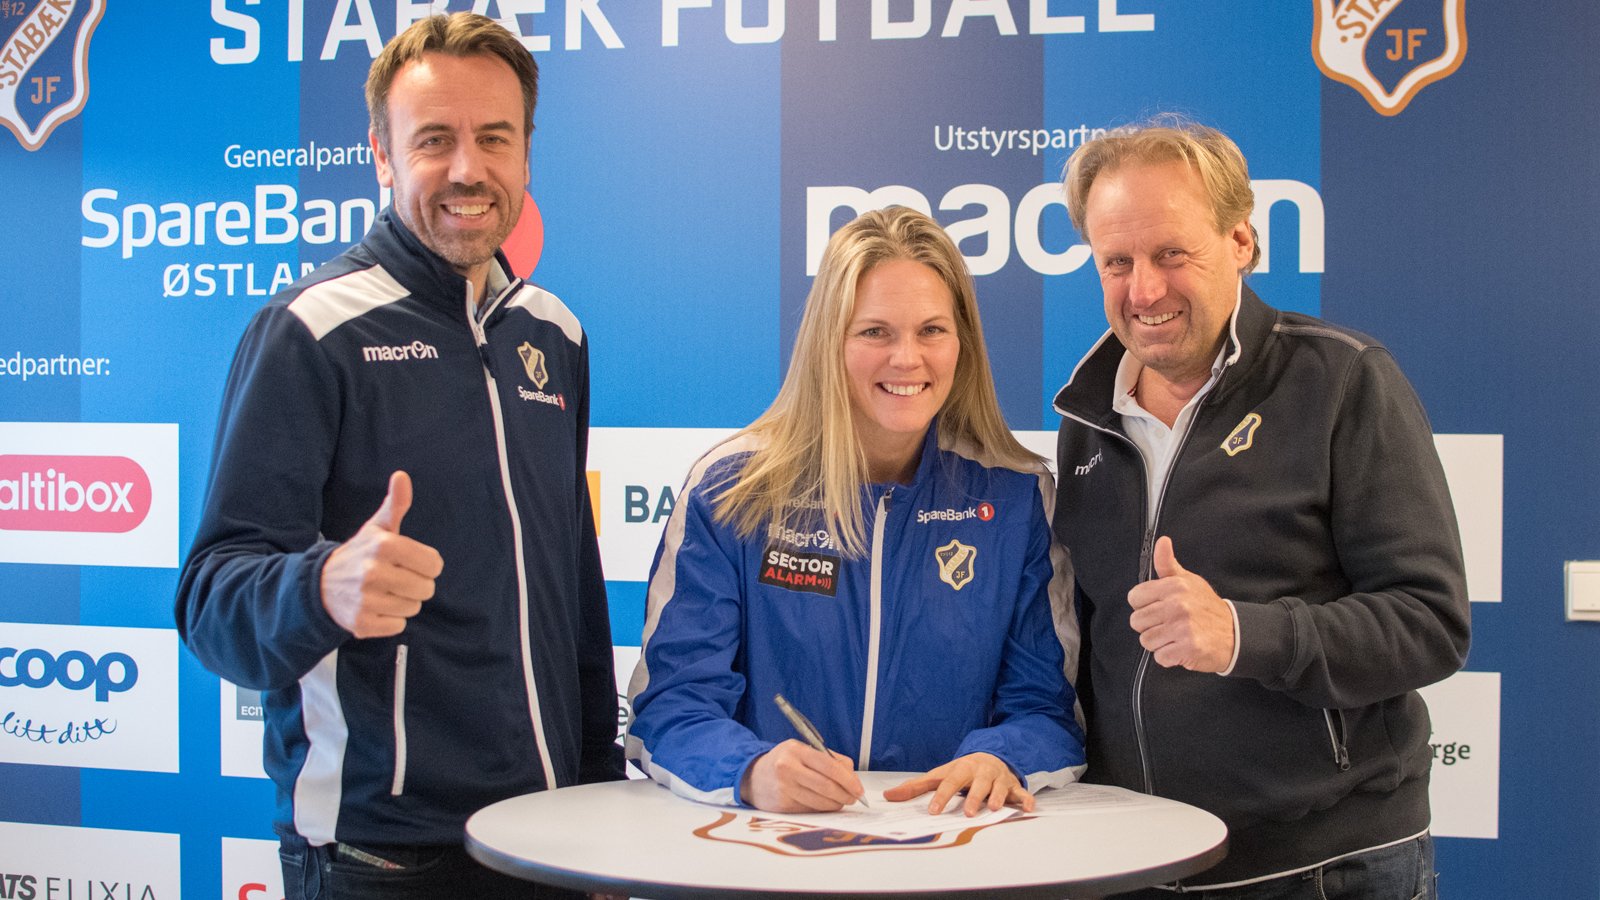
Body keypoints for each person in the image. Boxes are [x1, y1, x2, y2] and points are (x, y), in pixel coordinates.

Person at [174, 13, 620, 899]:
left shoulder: (553, 334)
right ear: (382, 156)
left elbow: (573, 590)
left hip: (551, 842)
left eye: (495, 138)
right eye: (434, 140)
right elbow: (209, 599)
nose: (468, 169)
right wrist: (321, 588)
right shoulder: (311, 332)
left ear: (526, 155)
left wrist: (600, 797)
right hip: (383, 861)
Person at [1051, 116, 1471, 897]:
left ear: (1240, 240)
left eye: (1171, 254)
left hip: (1323, 866)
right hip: (1138, 860)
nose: (1144, 290)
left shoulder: (1343, 380)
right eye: (1117, 261)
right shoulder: (1087, 417)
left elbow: (1430, 623)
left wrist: (1244, 634)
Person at [626, 206, 1086, 817]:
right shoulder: (732, 490)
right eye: (875, 332)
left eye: (932, 330)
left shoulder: (1014, 495)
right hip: (770, 845)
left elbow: (1046, 708)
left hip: (952, 841)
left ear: (963, 344)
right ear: (829, 341)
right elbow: (671, 706)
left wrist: (1002, 758)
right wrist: (749, 771)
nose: (907, 358)